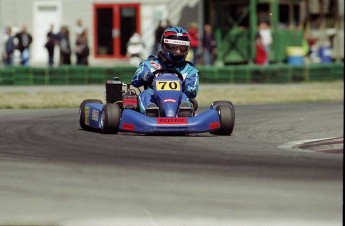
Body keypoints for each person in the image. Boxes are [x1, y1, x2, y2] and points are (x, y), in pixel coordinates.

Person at [131, 26, 199, 114]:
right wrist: (145, 76)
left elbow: (192, 92)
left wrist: (185, 86)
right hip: (154, 99)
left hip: (177, 102)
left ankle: (184, 113)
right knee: (147, 93)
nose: (178, 52)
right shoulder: (149, 64)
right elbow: (135, 81)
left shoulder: (189, 69)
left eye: (182, 48)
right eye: (173, 47)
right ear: (164, 45)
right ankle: (151, 112)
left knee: (184, 96)